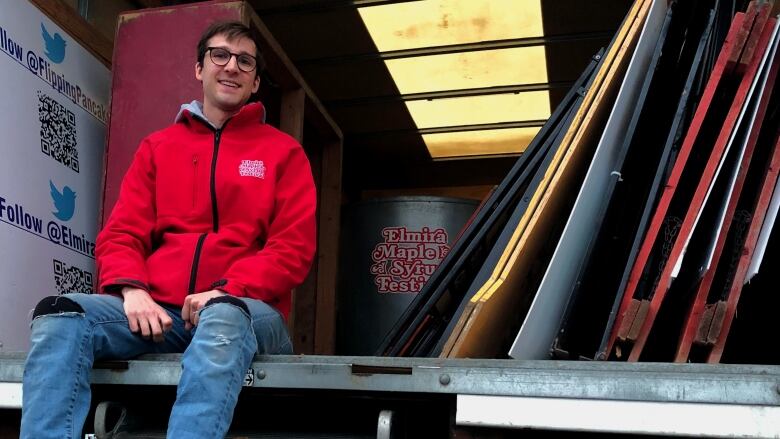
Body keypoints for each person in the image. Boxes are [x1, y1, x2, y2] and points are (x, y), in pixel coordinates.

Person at [20, 21, 316, 439]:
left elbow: (292, 249)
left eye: (245, 61)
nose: (231, 66)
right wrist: (132, 290)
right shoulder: (158, 148)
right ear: (199, 69)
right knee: (61, 314)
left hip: (247, 314)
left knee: (223, 318)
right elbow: (122, 233)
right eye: (220, 55)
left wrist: (225, 290)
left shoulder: (283, 153)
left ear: (254, 84)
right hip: (163, 313)